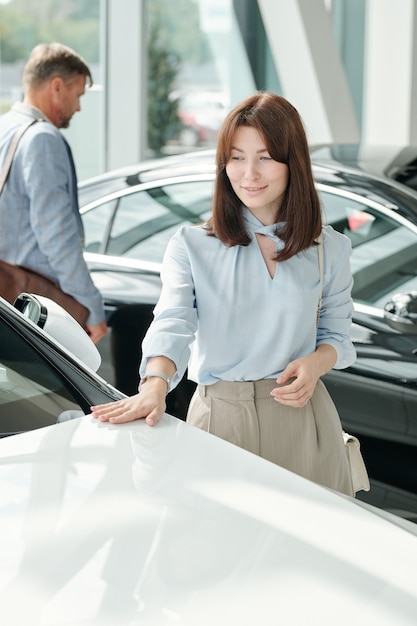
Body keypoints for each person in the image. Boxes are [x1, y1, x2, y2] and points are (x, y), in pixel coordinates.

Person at [91, 91, 357, 495]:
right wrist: (154, 386)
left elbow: (337, 336)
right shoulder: (191, 245)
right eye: (236, 157)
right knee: (217, 552)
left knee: (306, 554)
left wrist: (316, 364)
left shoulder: (329, 248)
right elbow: (173, 321)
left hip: (304, 420)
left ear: (293, 164)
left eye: (265, 157)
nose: (249, 172)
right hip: (221, 419)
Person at [0, 42, 107, 343]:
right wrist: (91, 307)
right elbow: (56, 235)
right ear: (57, 86)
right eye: (78, 95)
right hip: (40, 308)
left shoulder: (5, 127)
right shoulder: (43, 138)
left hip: (8, 299)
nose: (78, 107)